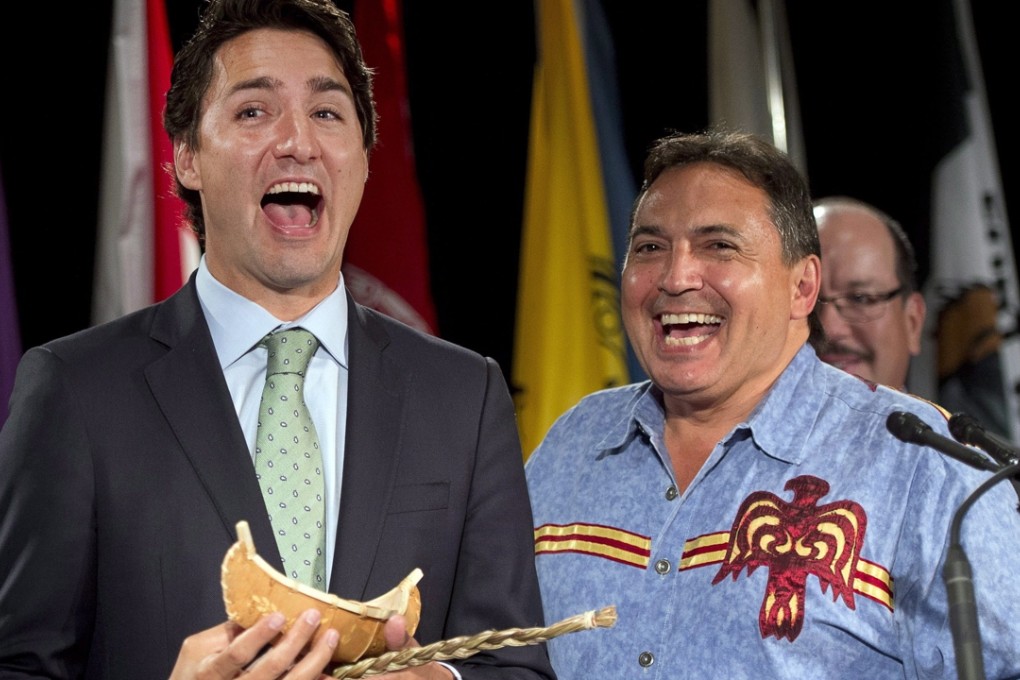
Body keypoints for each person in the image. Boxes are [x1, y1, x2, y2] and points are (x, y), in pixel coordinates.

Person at [0, 1, 554, 678]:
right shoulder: (76, 391)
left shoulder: (465, 397)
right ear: (186, 157)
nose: (298, 141)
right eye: (253, 111)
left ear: (362, 158)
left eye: (327, 113)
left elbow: (517, 664)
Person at [525, 129, 1020, 678]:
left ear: (802, 287)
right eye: (649, 247)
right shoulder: (571, 443)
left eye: (719, 246)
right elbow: (495, 651)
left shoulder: (924, 462)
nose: (674, 277)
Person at [811, 196, 926, 390]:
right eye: (808, 299)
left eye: (860, 298)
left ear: (912, 322)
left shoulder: (944, 421)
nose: (829, 328)